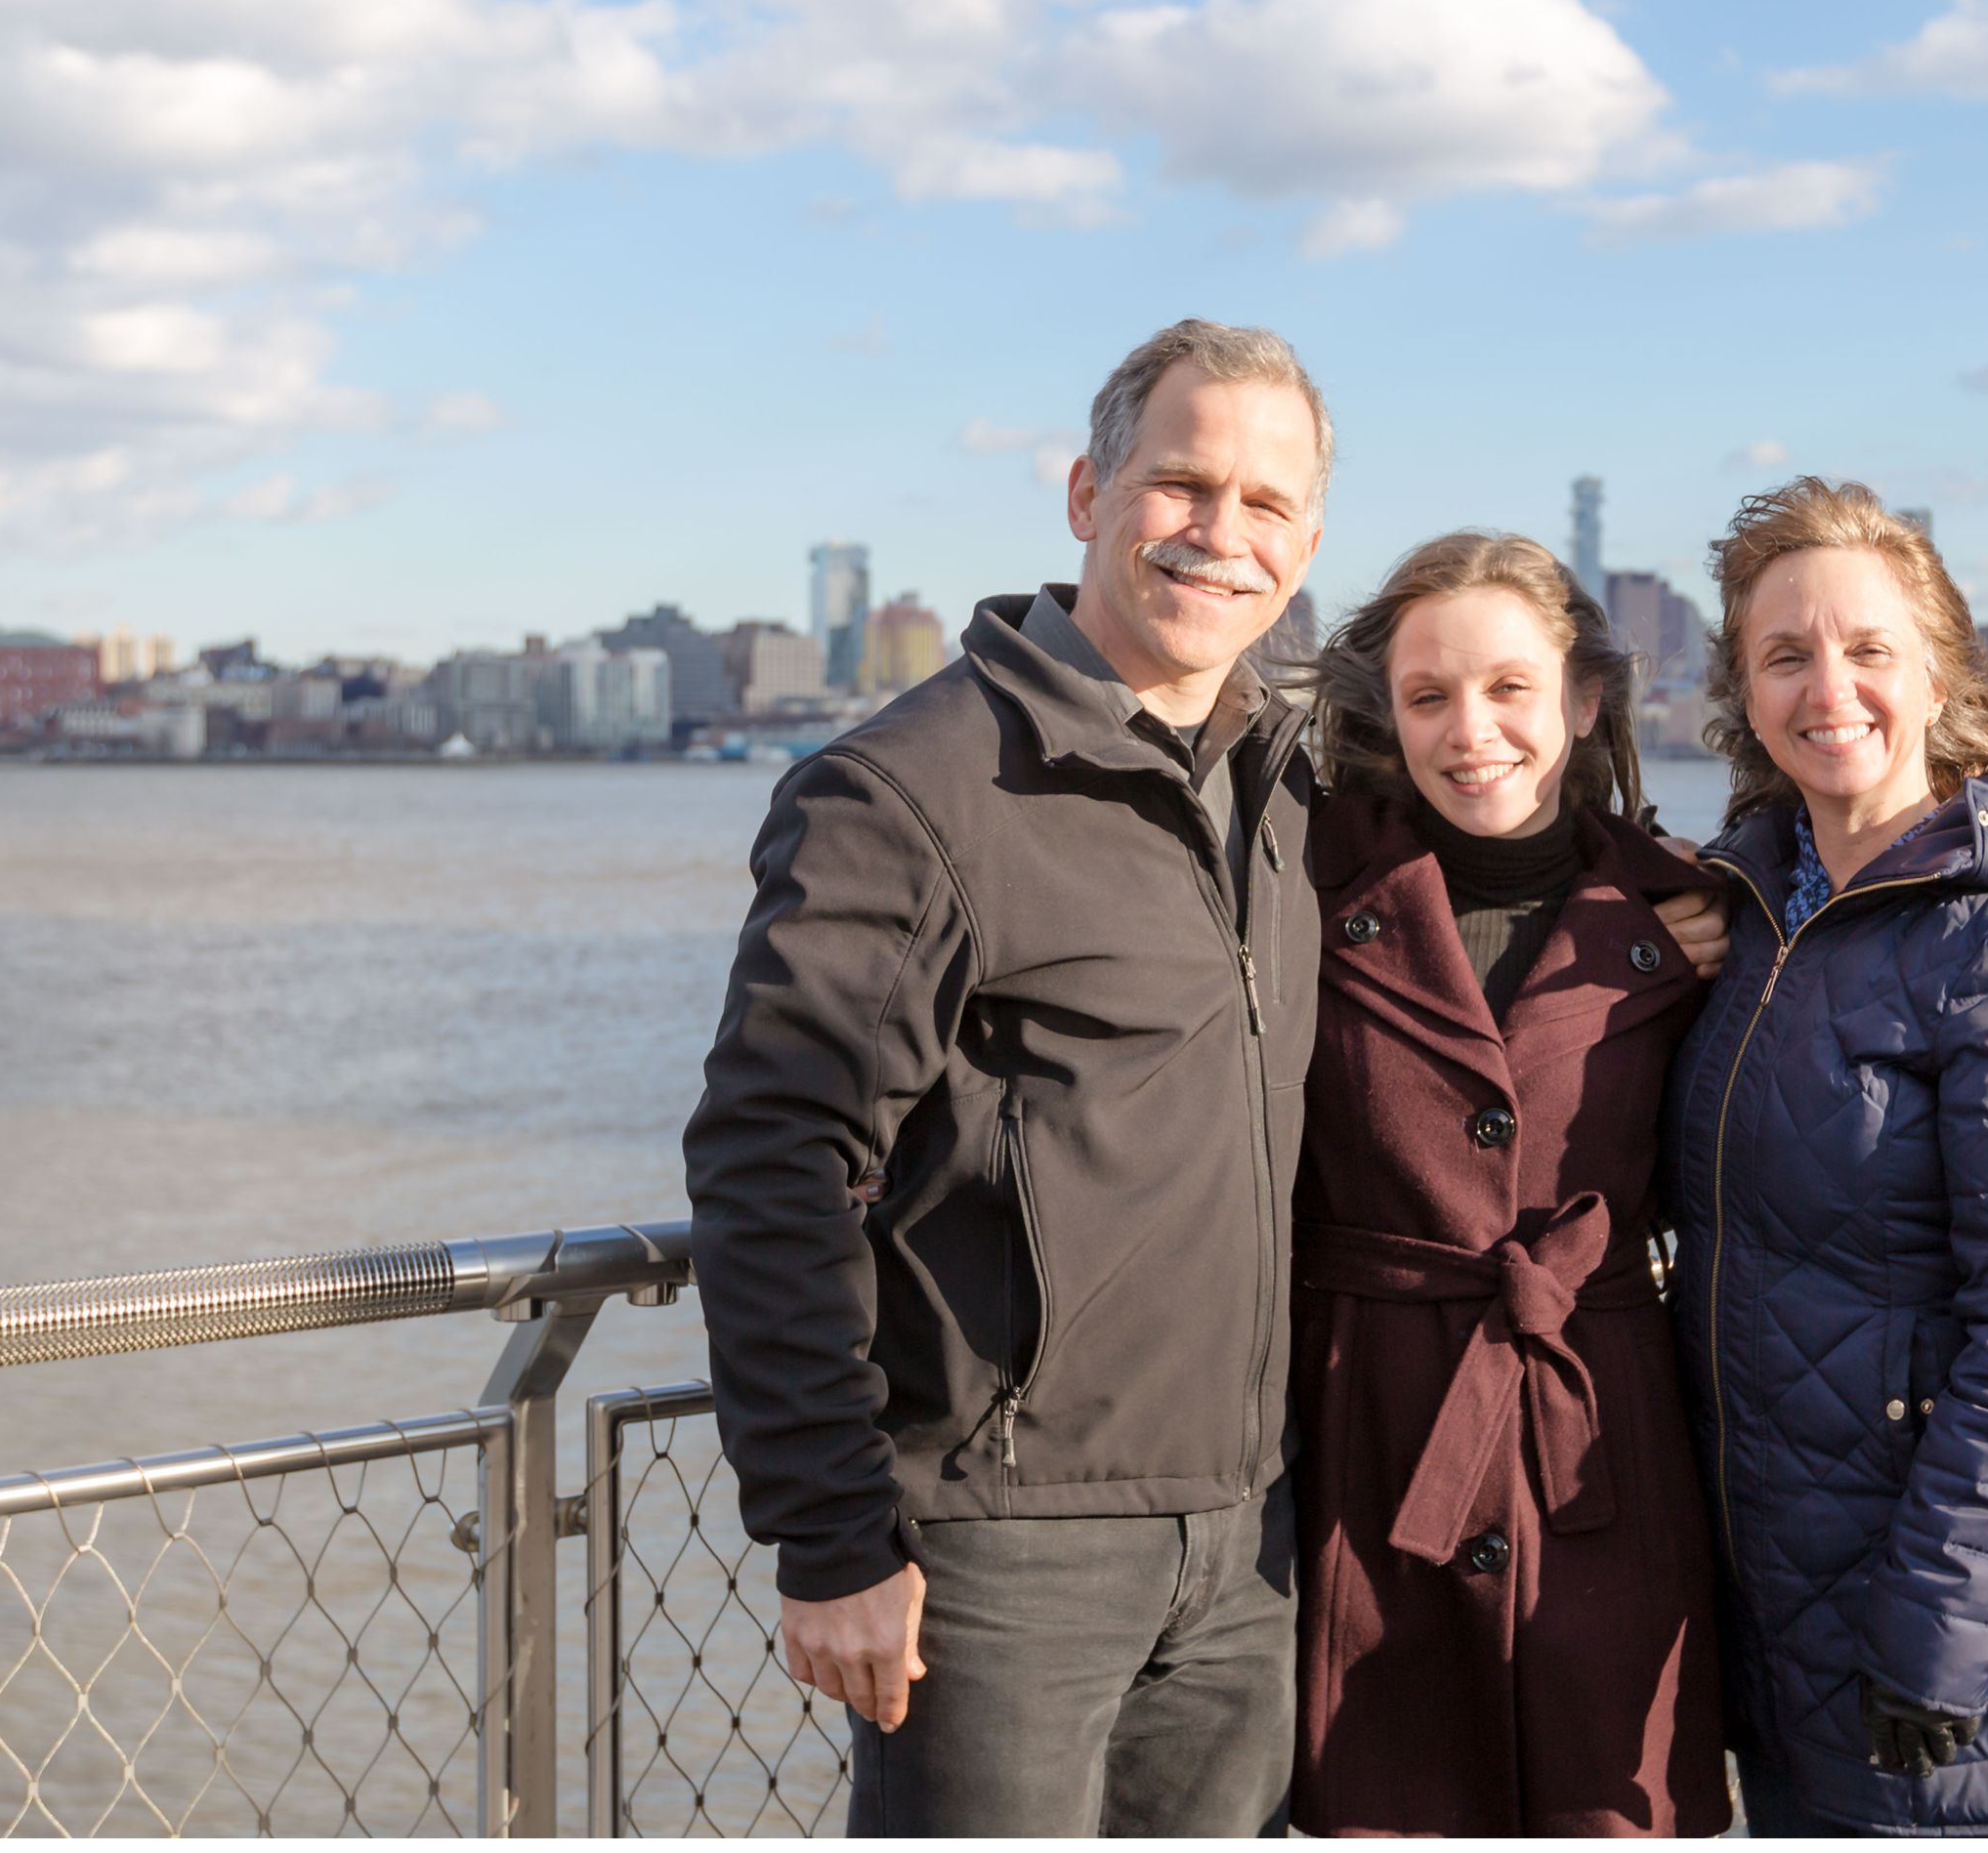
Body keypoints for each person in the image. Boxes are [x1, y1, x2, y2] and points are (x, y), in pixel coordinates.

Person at [683, 319, 1332, 1836]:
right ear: (1084, 493)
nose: (1219, 536)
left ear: (1307, 542)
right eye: (1180, 484)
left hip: (1251, 1542)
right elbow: (772, 1160)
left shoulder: (1291, 781)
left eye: (1267, 506)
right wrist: (830, 1536)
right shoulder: (910, 792)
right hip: (1006, 1556)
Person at [1663, 477, 1988, 1836]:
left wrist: (1938, 1630)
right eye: (1787, 655)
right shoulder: (1754, 926)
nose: (1830, 686)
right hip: (1787, 1620)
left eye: (1869, 649)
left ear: (1937, 674)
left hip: (1960, 1643)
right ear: (1745, 693)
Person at [1287, 532, 1735, 1836]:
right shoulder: (1296, 892)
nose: (1470, 730)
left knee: (1609, 1799)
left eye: (1510, 689)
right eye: (1429, 696)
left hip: (1603, 1439)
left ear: (1584, 703)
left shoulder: (1690, 913)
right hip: (1368, 1437)